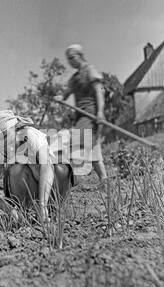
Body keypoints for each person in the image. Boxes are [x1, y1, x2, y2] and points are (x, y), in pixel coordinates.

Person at [0, 110, 73, 223]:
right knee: (16, 169)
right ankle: (25, 211)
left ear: (15, 128)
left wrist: (42, 205)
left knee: (59, 168)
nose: (1, 142)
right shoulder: (0, 150)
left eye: (4, 135)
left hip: (50, 184)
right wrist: (10, 211)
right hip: (28, 189)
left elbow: (47, 167)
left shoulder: (30, 135)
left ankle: (53, 207)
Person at [55, 44, 108, 186]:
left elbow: (100, 91)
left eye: (72, 58)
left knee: (77, 146)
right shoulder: (74, 78)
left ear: (80, 55)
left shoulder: (90, 71)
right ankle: (104, 181)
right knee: (94, 150)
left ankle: (74, 181)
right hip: (81, 116)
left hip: (91, 115)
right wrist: (60, 97)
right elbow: (66, 94)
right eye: (68, 60)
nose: (71, 62)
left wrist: (100, 112)